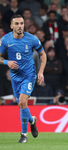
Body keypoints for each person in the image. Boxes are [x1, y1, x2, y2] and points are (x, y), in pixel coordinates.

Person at [0, 14, 47, 143]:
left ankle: (23, 134)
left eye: (21, 23)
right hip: (15, 77)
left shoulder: (32, 39)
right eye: (17, 24)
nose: (20, 26)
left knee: (21, 102)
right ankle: (32, 120)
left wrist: (41, 72)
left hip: (29, 75)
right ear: (11, 26)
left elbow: (43, 55)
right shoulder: (5, 40)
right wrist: (7, 63)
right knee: (21, 105)